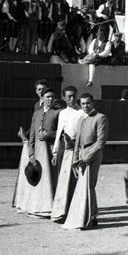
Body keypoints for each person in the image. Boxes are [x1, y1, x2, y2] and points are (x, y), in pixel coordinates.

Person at [63, 92, 108, 230]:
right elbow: (77, 142)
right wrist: (76, 158)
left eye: (88, 103)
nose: (86, 106)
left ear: (93, 102)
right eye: (83, 104)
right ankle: (89, 216)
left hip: (93, 155)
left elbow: (101, 141)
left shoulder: (100, 117)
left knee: (89, 185)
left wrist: (88, 157)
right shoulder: (81, 119)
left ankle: (91, 218)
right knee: (83, 186)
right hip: (82, 154)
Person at [17, 86, 61, 217]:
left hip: (50, 149)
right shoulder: (37, 113)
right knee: (38, 178)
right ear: (43, 98)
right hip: (38, 151)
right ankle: (36, 206)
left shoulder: (58, 113)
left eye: (52, 97)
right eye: (48, 97)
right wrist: (31, 153)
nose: (50, 99)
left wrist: (49, 135)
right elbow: (32, 134)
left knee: (49, 178)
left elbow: (61, 132)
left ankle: (49, 208)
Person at [50, 85, 84, 223]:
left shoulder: (81, 112)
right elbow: (59, 133)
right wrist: (55, 152)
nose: (71, 98)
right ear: (64, 98)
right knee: (61, 179)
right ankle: (60, 211)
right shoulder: (62, 113)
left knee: (73, 179)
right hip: (63, 147)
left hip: (75, 147)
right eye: (68, 96)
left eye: (74, 96)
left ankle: (72, 211)